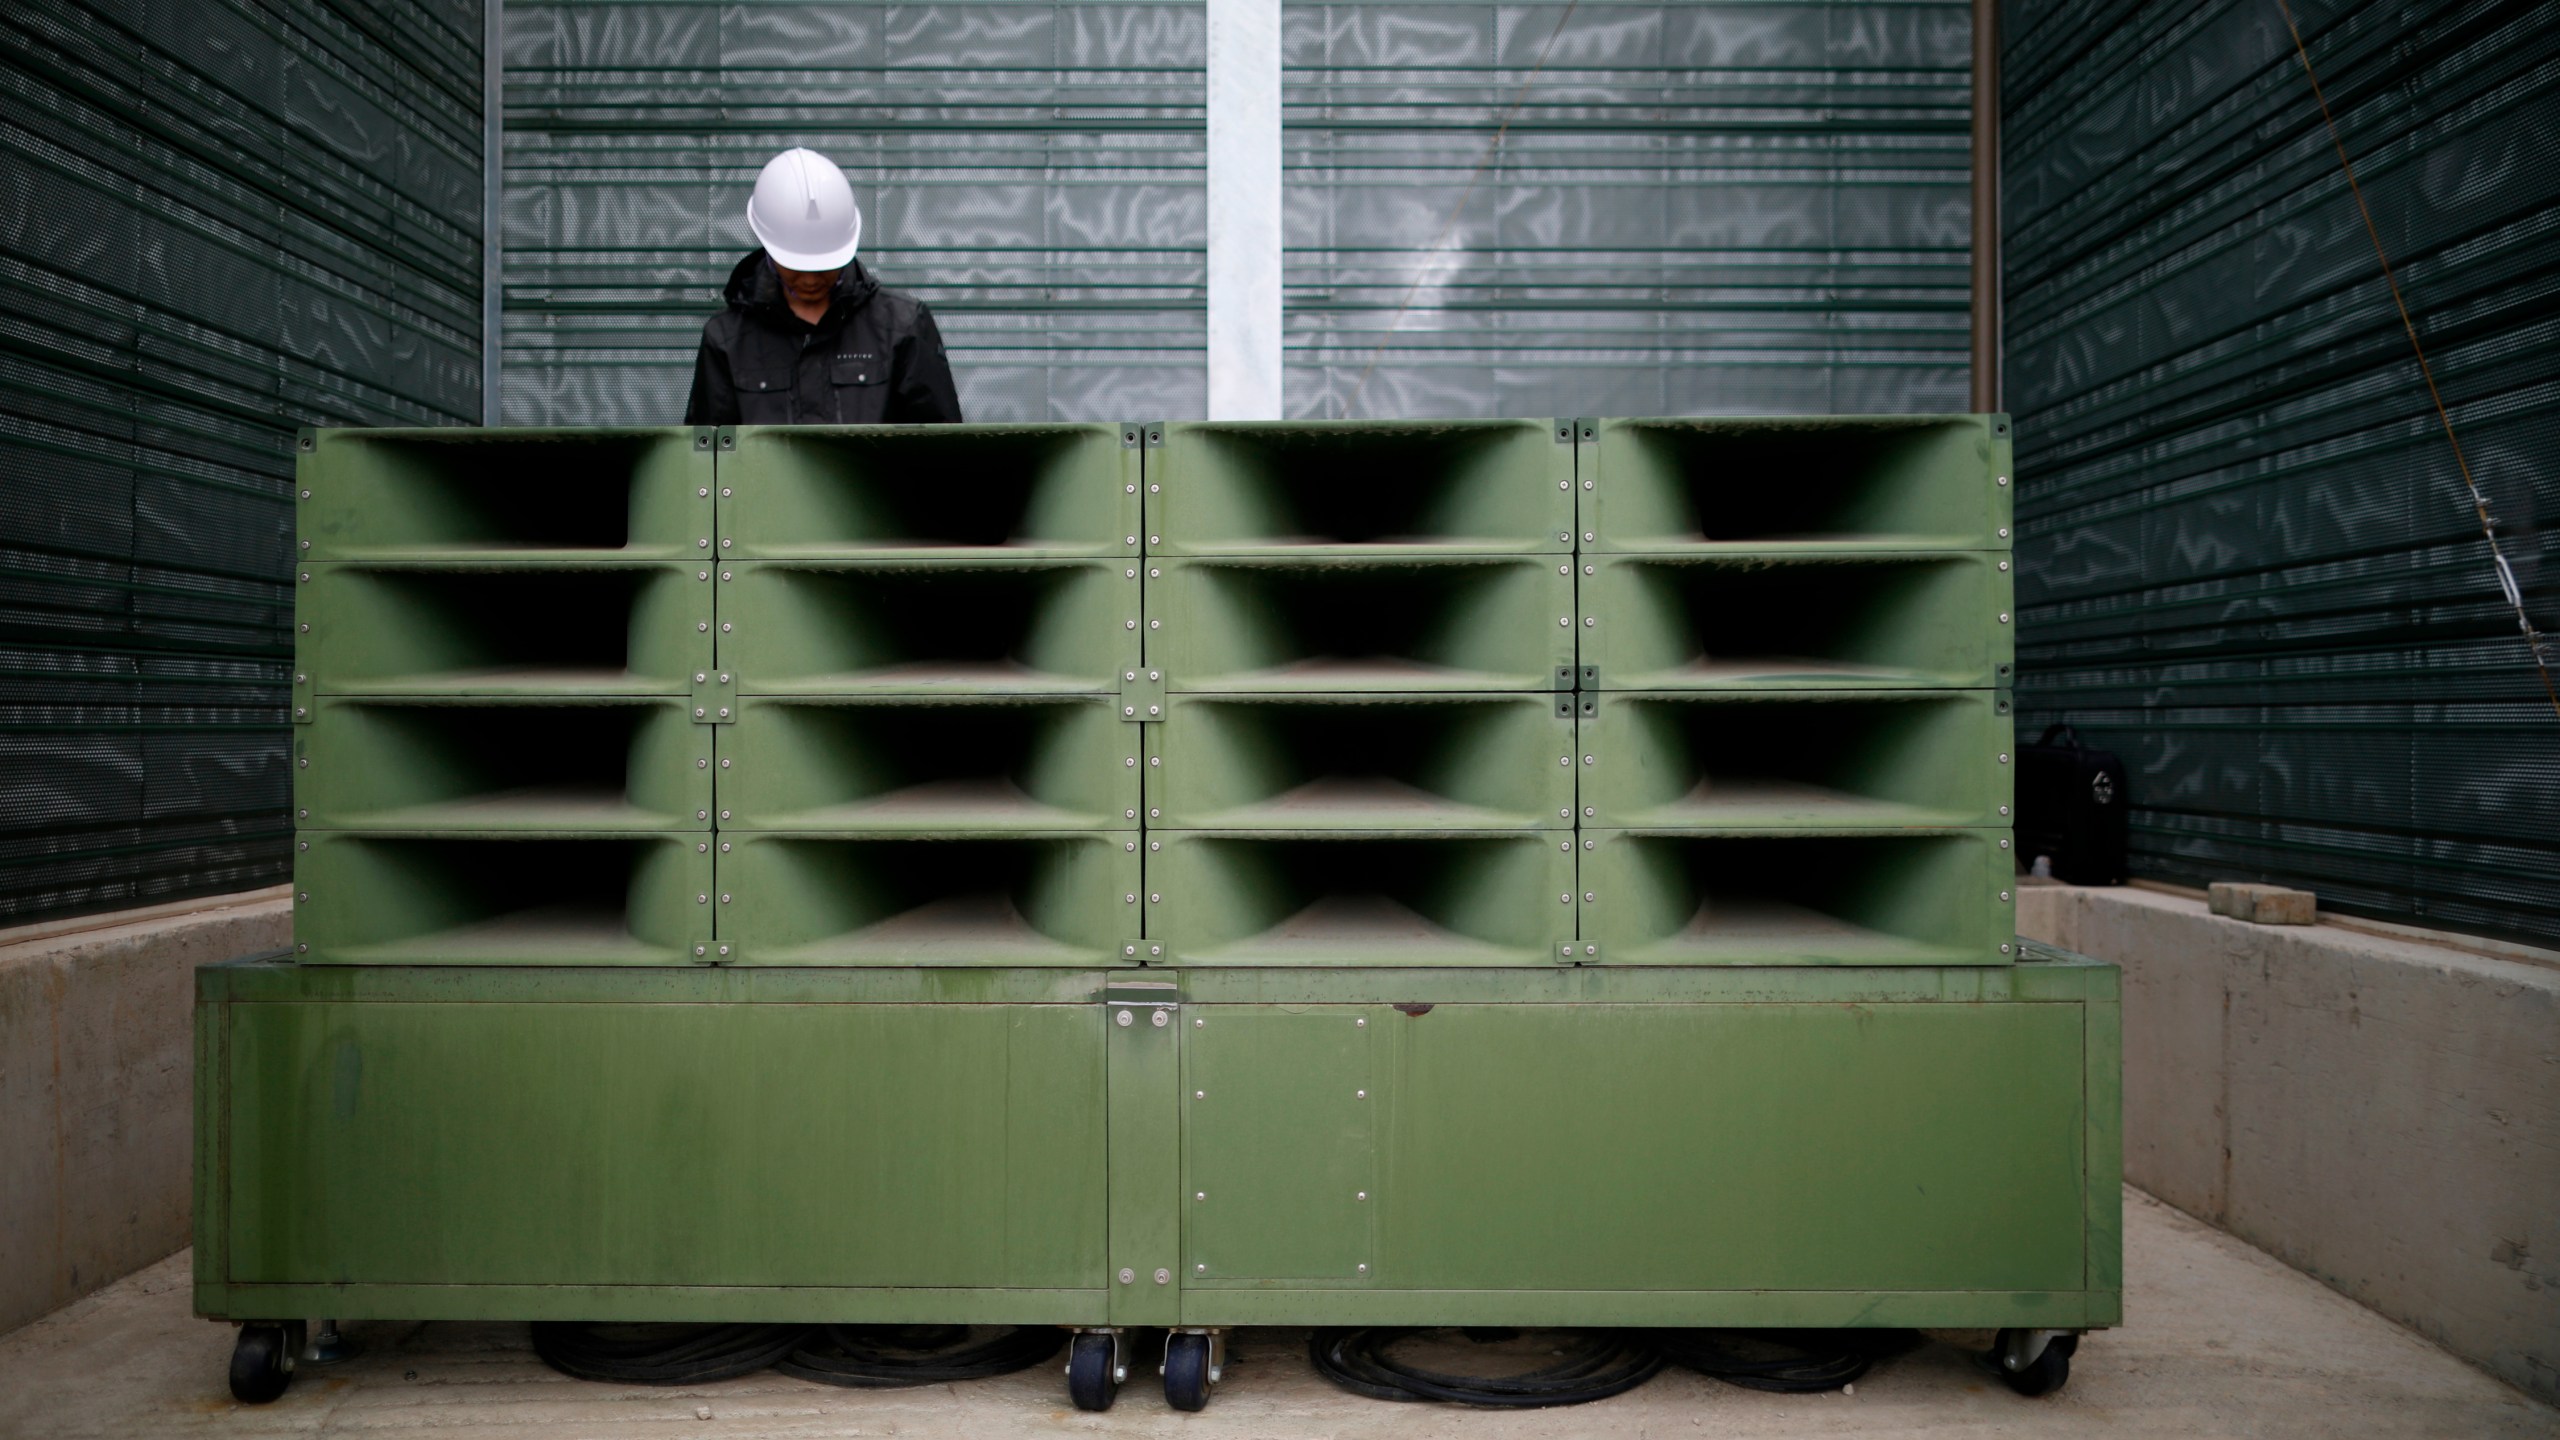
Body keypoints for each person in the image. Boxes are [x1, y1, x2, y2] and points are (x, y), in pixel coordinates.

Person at [683, 148, 962, 425]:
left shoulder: (901, 326)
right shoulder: (728, 339)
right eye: (795, 266)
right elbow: (709, 456)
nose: (810, 279)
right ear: (769, 248)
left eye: (824, 266)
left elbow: (942, 450)